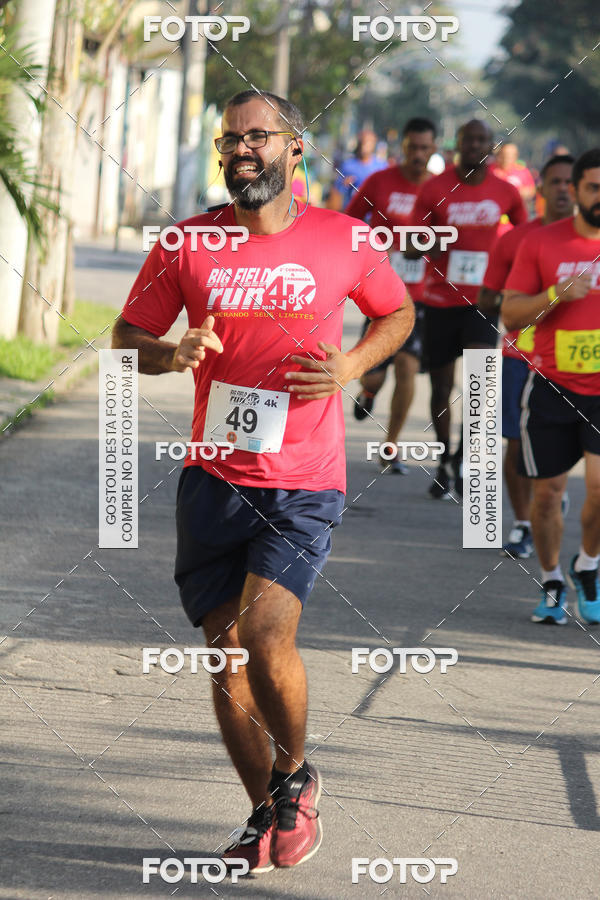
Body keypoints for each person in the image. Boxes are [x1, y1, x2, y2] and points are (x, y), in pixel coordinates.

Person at [112, 90, 413, 872]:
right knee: (224, 652)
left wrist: (349, 365)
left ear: (295, 148)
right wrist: (169, 352)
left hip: (303, 479)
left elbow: (398, 313)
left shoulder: (344, 238)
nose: (242, 149)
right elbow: (127, 336)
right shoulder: (188, 244)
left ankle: (295, 772)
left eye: (258, 136)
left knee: (266, 632)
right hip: (213, 476)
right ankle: (263, 810)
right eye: (230, 139)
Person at [502, 148, 600, 625]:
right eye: (593, 188)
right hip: (552, 385)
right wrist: (557, 294)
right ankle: (553, 579)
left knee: (599, 492)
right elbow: (510, 313)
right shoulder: (541, 244)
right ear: (575, 190)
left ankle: (588, 565)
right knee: (547, 494)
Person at [407, 119, 528, 499]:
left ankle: (465, 461)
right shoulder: (434, 188)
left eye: (482, 140)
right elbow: (411, 244)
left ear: (491, 147)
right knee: (441, 386)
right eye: (468, 140)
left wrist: (511, 270)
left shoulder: (506, 192)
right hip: (440, 299)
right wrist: (433, 240)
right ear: (457, 144)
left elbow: (527, 238)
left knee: (479, 383)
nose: (475, 146)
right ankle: (445, 460)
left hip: (483, 302)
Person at [478, 155, 574, 557]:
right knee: (515, 442)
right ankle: (521, 522)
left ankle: (549, 495)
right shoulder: (516, 240)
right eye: (556, 182)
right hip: (521, 356)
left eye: (571, 183)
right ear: (542, 189)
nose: (564, 190)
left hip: (575, 362)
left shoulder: (591, 240)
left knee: (565, 444)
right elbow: (489, 297)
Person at [344, 117, 437, 473]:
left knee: (407, 369)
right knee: (374, 374)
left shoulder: (442, 188)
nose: (418, 154)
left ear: (433, 150)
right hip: (380, 289)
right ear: (403, 148)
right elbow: (350, 223)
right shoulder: (380, 181)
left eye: (424, 148)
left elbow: (455, 236)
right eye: (412, 147)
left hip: (421, 295)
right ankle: (368, 392)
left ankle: (390, 445)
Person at [327, 128, 387, 211]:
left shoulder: (381, 167)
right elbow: (337, 191)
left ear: (374, 144)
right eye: (362, 142)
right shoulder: (347, 165)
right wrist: (344, 185)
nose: (364, 145)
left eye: (368, 142)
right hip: (352, 213)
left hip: (371, 216)